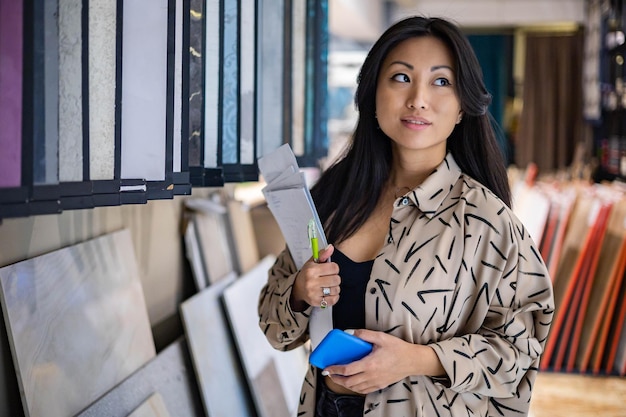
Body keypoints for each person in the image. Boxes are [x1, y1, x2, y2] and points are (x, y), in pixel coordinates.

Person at [258, 15, 554, 417]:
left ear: (463, 106)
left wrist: (415, 359)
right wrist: (298, 292)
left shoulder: (488, 223)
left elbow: (520, 350)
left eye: (441, 81)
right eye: (400, 78)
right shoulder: (332, 201)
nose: (417, 98)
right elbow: (275, 329)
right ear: (372, 94)